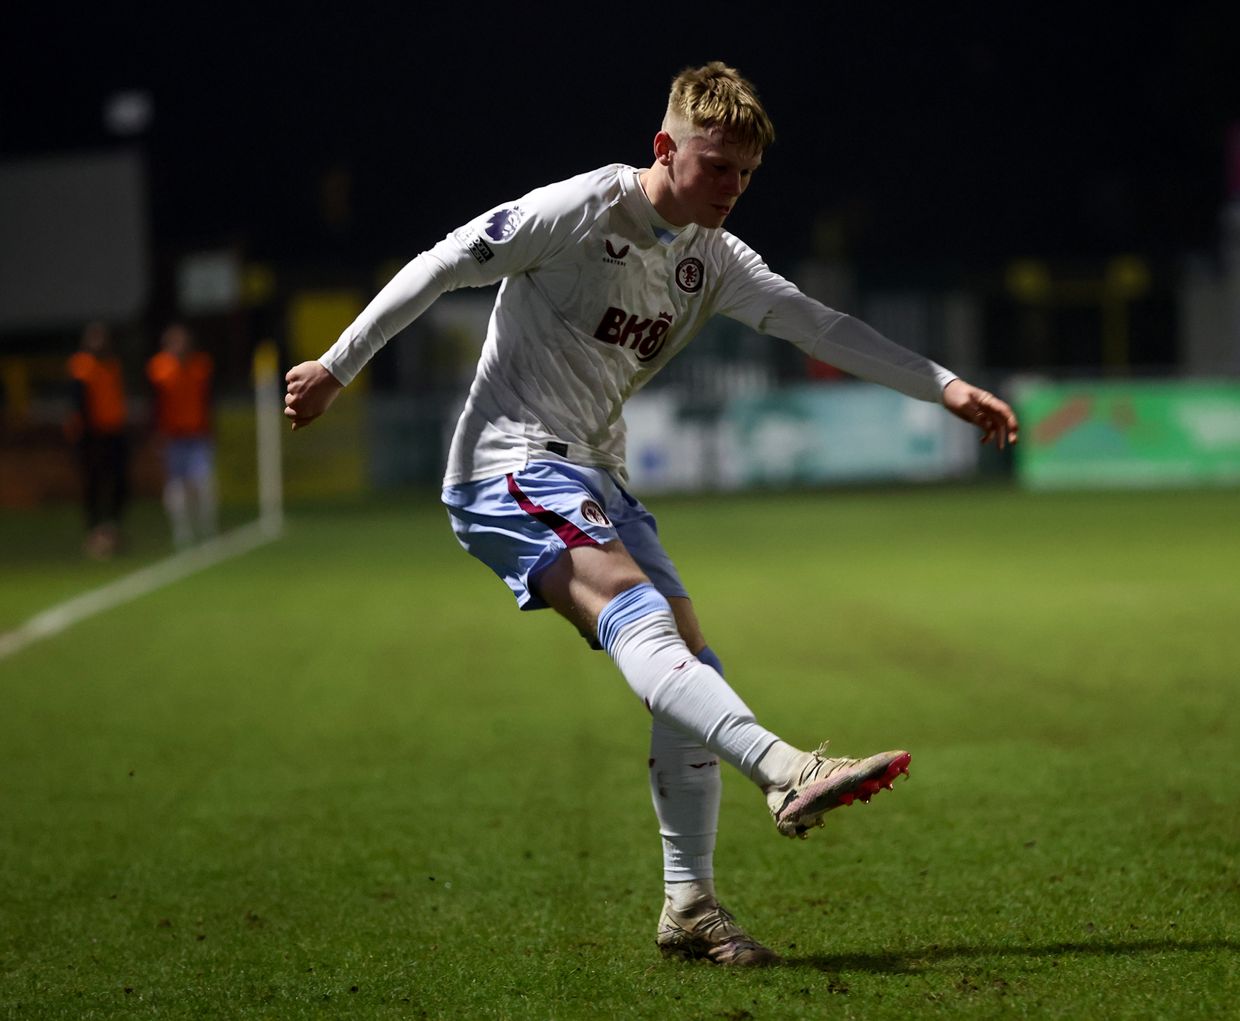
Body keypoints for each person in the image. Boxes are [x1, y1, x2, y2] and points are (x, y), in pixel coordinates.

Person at [281, 61, 1019, 966]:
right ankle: (788, 768)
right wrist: (337, 364)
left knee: (685, 657)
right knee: (640, 615)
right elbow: (443, 262)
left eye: (747, 175)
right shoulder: (578, 211)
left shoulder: (715, 257)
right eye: (717, 167)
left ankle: (690, 906)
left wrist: (943, 385)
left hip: (597, 472)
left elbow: (819, 326)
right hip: (506, 465)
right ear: (664, 147)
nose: (733, 188)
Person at [146, 322, 218, 548]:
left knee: (203, 483)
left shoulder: (200, 366)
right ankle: (182, 531)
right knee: (176, 487)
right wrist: (157, 432)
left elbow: (209, 400)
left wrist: (212, 428)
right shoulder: (158, 369)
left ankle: (207, 528)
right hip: (173, 436)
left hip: (198, 434)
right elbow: (154, 404)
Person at [66, 321, 130, 559]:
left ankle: (112, 528)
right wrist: (81, 436)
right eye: (94, 338)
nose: (99, 343)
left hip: (114, 432)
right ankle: (94, 532)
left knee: (120, 483)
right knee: (93, 484)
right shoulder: (81, 366)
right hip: (92, 436)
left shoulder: (112, 364)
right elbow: (76, 404)